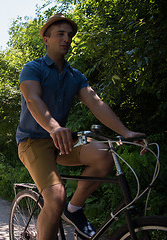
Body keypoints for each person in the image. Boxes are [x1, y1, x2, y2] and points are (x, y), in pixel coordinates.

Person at [16, 13, 144, 239]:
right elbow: (33, 100)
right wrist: (54, 127)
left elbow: (96, 102)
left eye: (70, 35)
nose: (66, 39)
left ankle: (74, 210)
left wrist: (126, 132)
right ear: (46, 39)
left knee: (104, 153)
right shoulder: (33, 68)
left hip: (62, 142)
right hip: (33, 142)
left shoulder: (75, 76)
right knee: (55, 196)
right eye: (60, 34)